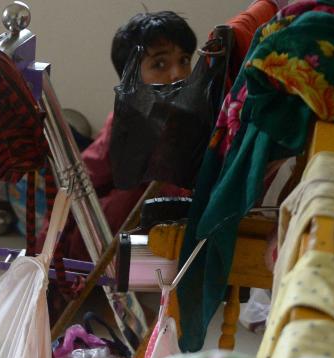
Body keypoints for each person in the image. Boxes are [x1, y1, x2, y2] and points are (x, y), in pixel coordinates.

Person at [60, 2, 279, 260]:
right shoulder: (123, 126)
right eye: (160, 64)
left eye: (184, 60)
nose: (178, 73)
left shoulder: (196, 114)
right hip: (111, 246)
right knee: (126, 197)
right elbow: (77, 189)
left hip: (174, 235)